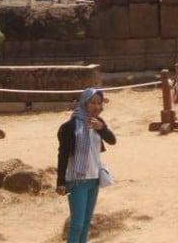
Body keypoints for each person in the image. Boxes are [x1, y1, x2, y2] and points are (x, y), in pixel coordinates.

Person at [57, 87, 116, 243]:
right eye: (92, 103)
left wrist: (101, 128)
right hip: (77, 181)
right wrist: (60, 182)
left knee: (86, 224)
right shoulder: (69, 127)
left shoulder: (98, 123)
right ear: (84, 103)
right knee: (76, 225)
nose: (96, 107)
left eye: (99, 103)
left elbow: (112, 140)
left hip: (94, 179)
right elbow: (62, 155)